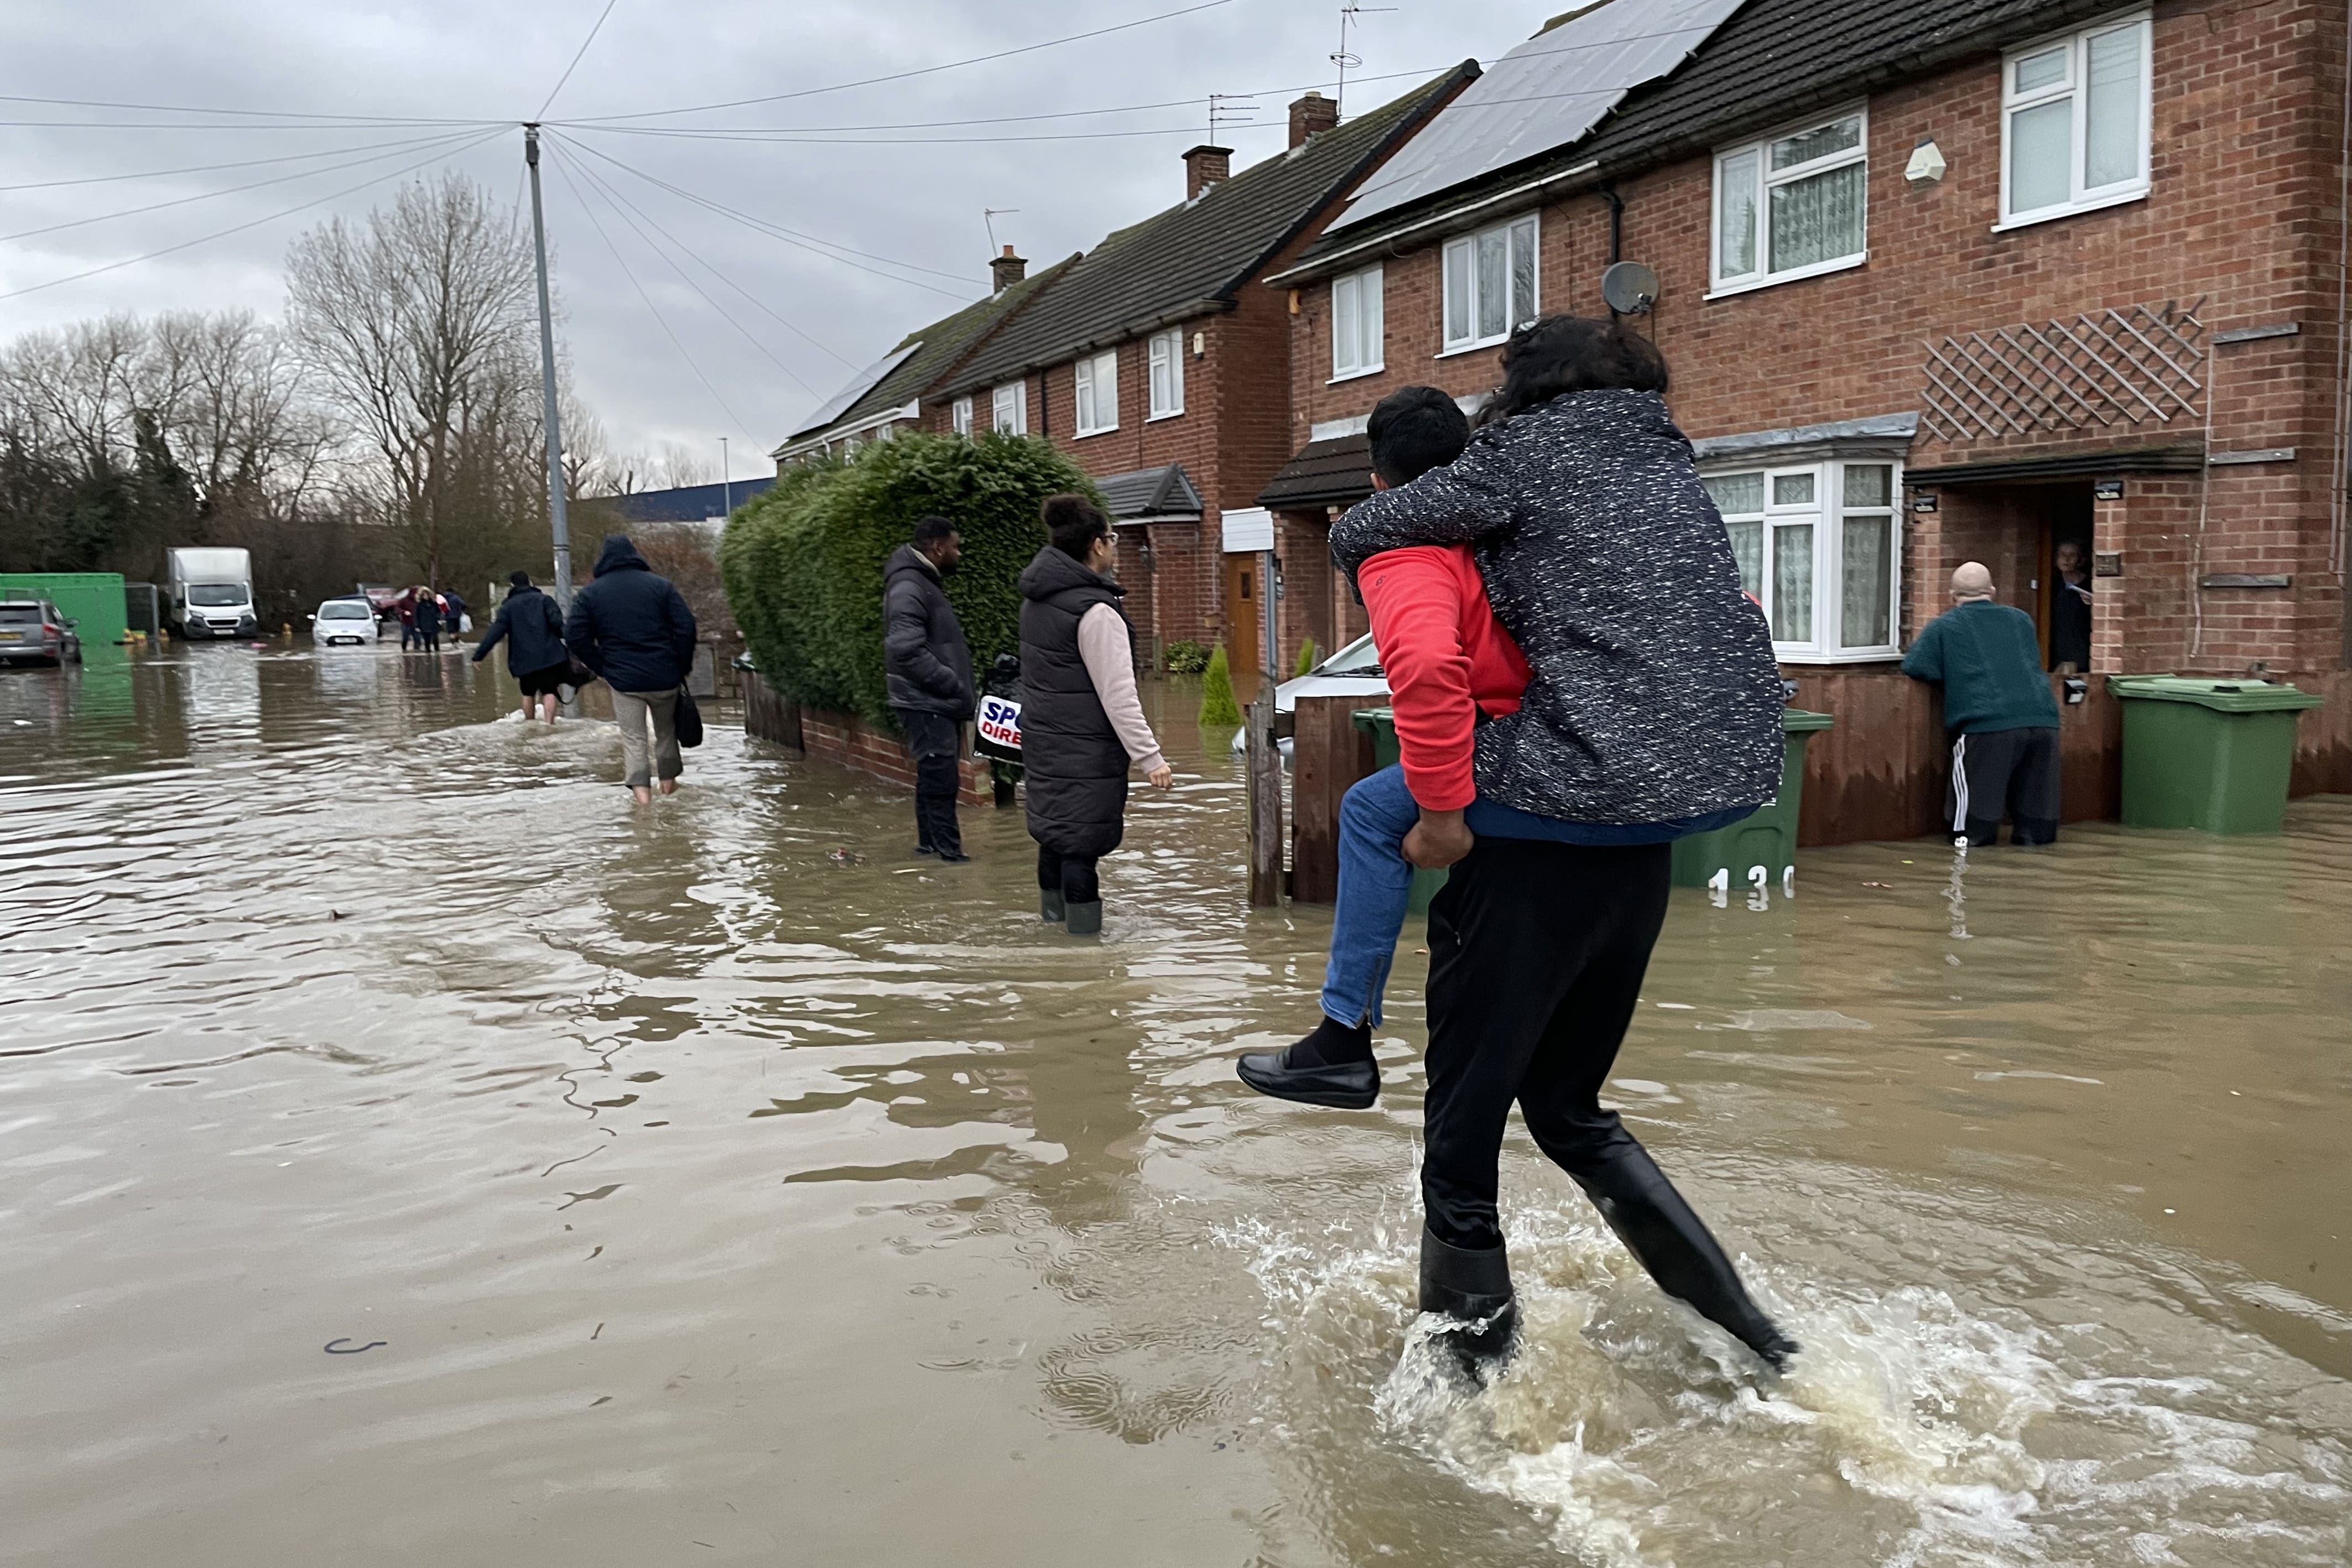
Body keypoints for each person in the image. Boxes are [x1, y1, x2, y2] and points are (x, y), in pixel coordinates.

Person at [1308, 320, 1798, 1378]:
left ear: (1526, 390)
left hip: (1536, 829)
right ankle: (1759, 1343)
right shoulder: (1671, 473)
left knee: (1461, 1147)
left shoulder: (1518, 458)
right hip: (1645, 840)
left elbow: (1398, 575)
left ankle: (1469, 1414)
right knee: (1570, 1110)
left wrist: (1441, 808)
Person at [1017, 493, 1174, 937]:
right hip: (1085, 752)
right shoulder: (1096, 610)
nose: (1115, 545)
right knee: (1080, 850)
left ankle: (1052, 937)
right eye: (1112, 538)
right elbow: (1118, 693)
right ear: (1096, 546)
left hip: (1045, 745)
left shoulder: (1037, 601)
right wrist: (1151, 757)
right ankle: (1085, 954)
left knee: (1053, 839)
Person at [1903, 561, 2063, 847]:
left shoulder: (1945, 625)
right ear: (1992, 590)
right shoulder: (2021, 619)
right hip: (2043, 722)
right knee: (2038, 833)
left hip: (1987, 725)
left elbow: (1916, 666)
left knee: (1970, 834)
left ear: (1953, 596)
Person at [565, 534, 698, 805]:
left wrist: (604, 667)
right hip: (664, 676)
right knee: (666, 734)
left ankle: (644, 804)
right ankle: (668, 789)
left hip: (624, 681)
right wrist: (681, 665)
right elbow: (687, 628)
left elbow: (574, 635)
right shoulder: (662, 587)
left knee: (634, 739)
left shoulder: (591, 593)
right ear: (635, 555)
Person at [883, 515, 977, 862]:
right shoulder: (910, 586)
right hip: (927, 701)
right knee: (941, 781)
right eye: (956, 547)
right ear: (938, 548)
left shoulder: (920, 582)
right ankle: (950, 857)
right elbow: (905, 650)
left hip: (929, 700)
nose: (959, 554)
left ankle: (931, 849)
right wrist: (950, 684)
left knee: (933, 777)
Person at [471, 570, 571, 723]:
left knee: (528, 693)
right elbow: (558, 624)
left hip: (524, 658)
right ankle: (550, 725)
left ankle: (530, 724)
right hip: (549, 655)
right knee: (550, 690)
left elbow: (496, 632)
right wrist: (572, 642)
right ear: (529, 582)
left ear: (512, 586)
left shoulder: (508, 607)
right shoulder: (545, 600)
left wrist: (479, 656)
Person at [2049, 540, 2093, 671]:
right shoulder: (2052, 585)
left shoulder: (2090, 585)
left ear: (2081, 559)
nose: (2066, 559)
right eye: (2062, 555)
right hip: (2055, 655)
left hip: (2082, 655)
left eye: (2072, 555)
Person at [412, 585, 443, 654]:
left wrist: (439, 619)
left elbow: (438, 612)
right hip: (424, 623)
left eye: (427, 595)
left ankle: (437, 651)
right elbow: (417, 616)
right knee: (427, 639)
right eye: (424, 595)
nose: (426, 596)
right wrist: (417, 626)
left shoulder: (434, 603)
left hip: (433, 622)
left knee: (435, 637)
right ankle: (428, 650)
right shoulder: (419, 605)